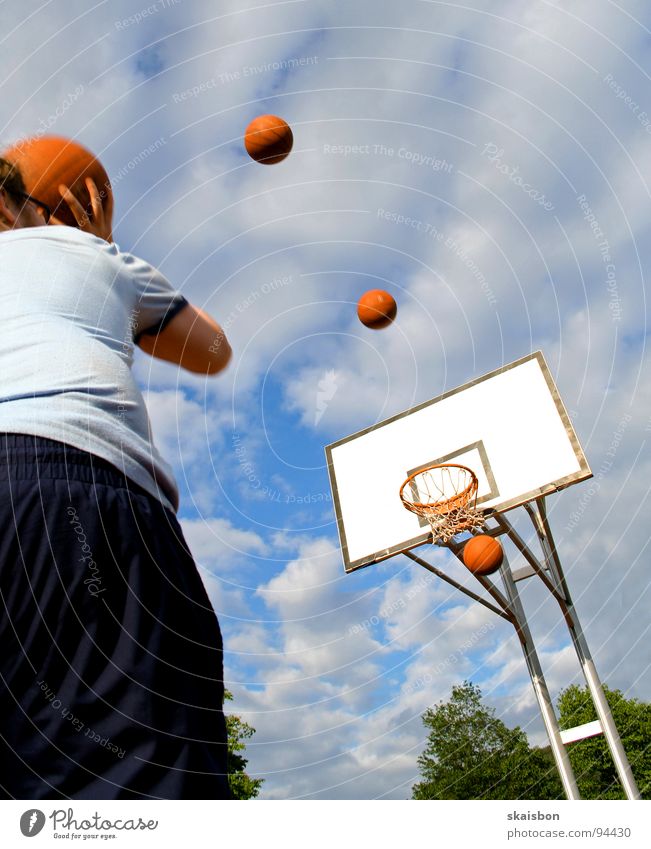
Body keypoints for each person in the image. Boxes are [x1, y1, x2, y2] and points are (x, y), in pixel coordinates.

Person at [0, 157, 233, 799]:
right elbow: (211, 350)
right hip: (61, 478)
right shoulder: (88, 252)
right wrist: (95, 247)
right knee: (141, 774)